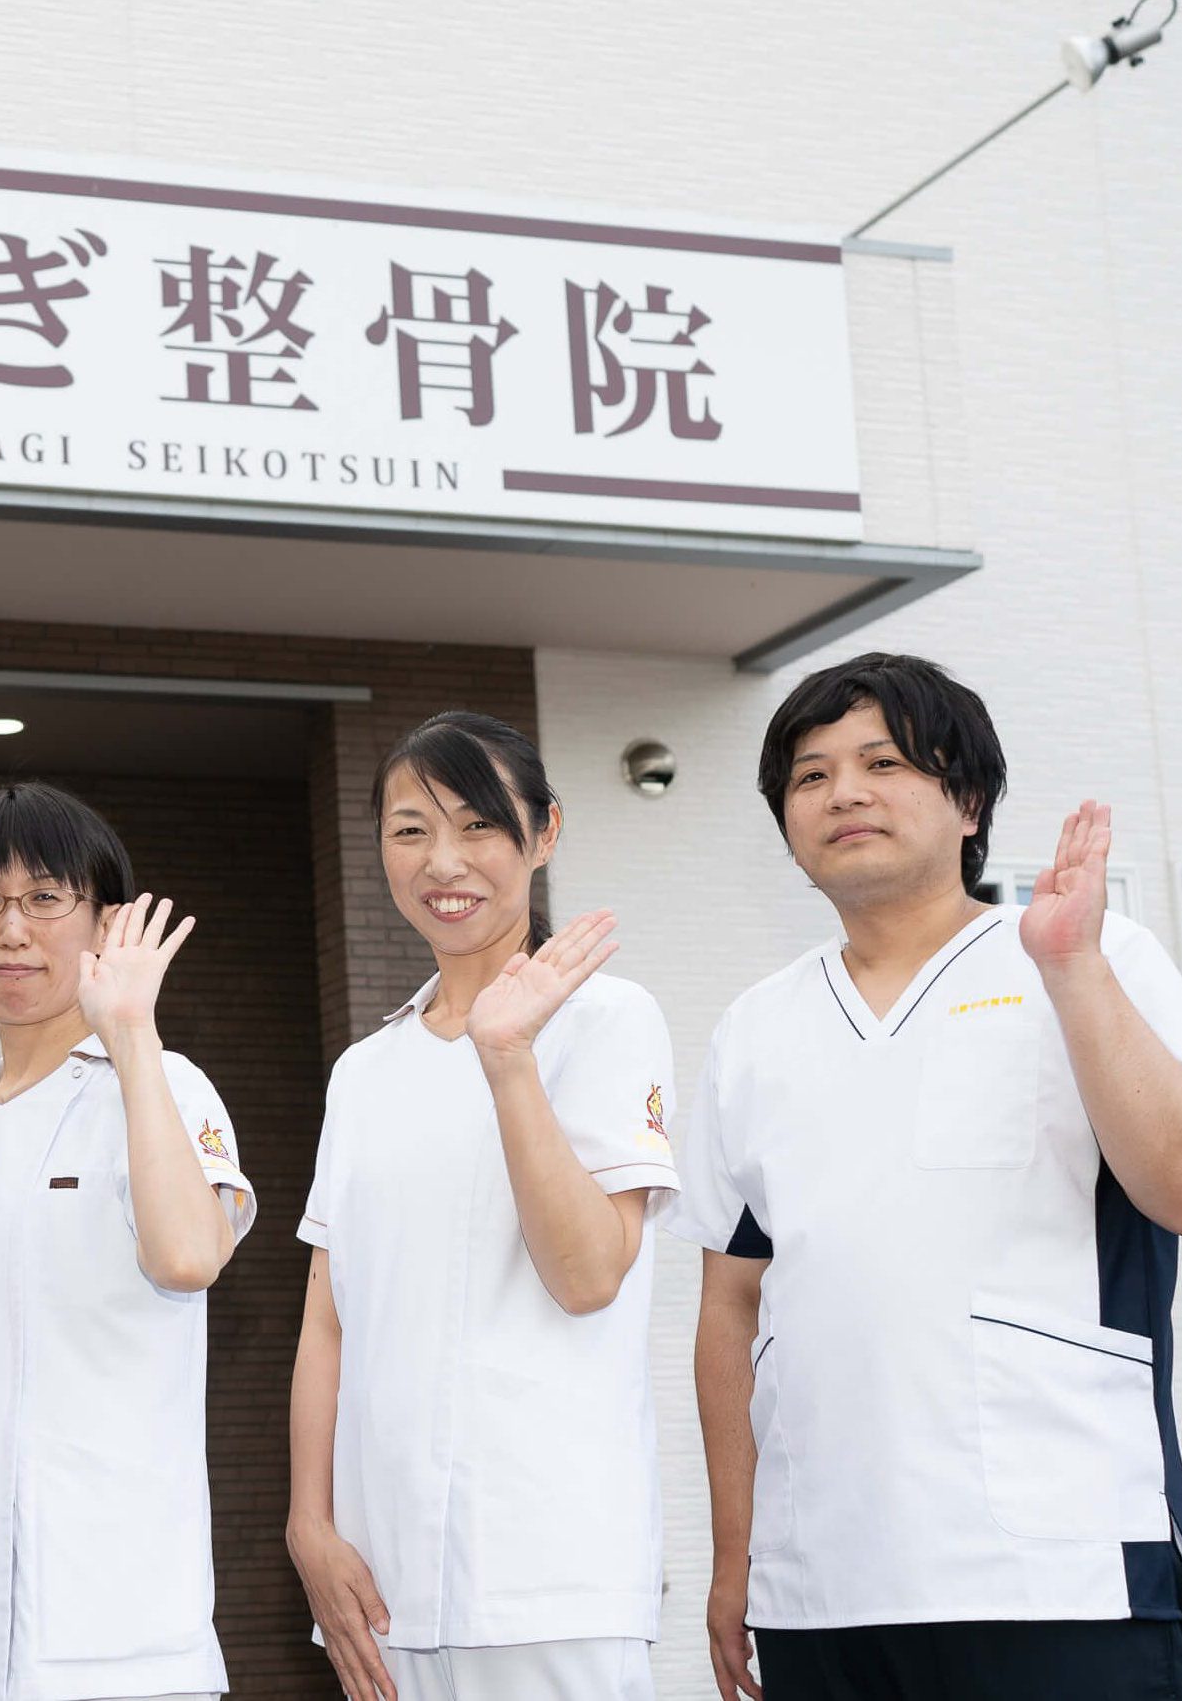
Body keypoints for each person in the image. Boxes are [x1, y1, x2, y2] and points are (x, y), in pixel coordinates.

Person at [676, 652, 1182, 1701]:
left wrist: (1070, 966)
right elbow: (730, 1303)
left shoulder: (1088, 954)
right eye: (808, 775)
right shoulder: (754, 1027)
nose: (842, 791)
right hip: (820, 1593)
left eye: (882, 761)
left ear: (968, 800)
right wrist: (736, 1556)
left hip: (1056, 1576)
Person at [287, 711, 676, 1701]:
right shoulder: (364, 1070)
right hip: (384, 1586)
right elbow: (329, 1314)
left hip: (551, 1577)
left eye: (476, 825)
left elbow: (588, 1272)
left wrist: (507, 1060)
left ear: (543, 834)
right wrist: (308, 1521)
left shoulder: (605, 1020)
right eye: (410, 829)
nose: (441, 861)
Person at [0, 780, 254, 1701]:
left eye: (46, 898)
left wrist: (128, 1032)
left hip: (119, 1627)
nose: (13, 930)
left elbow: (188, 1257)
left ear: (105, 924)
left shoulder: (163, 1086)